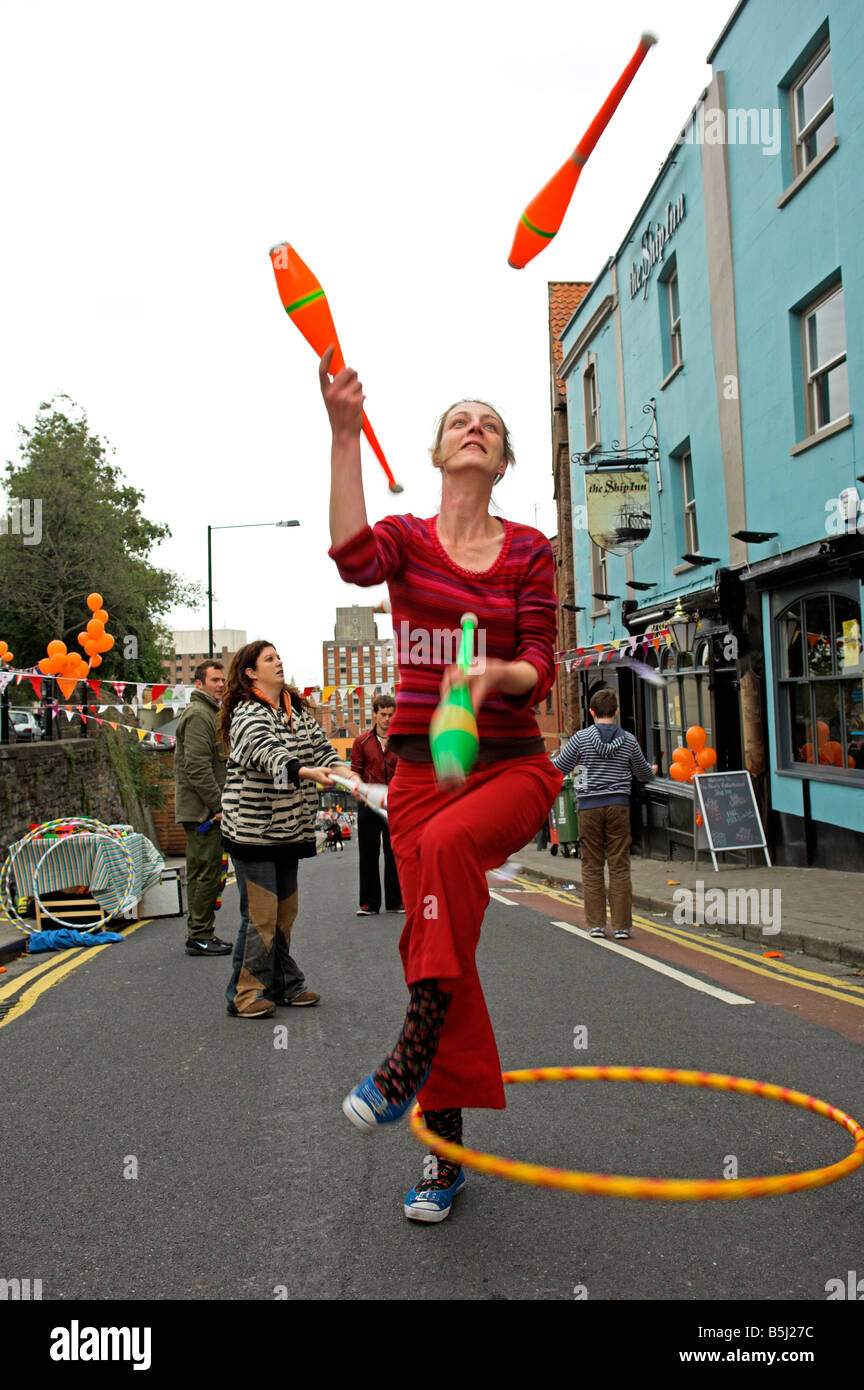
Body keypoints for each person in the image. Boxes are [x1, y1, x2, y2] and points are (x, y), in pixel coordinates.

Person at [322, 349, 562, 1223]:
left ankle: (408, 1053)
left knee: (455, 866)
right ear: (436, 452)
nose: (476, 428)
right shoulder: (408, 543)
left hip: (509, 768)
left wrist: (488, 678)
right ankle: (443, 1156)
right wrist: (344, 434)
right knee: (434, 943)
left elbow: (540, 660)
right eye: (462, 419)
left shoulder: (531, 550)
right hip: (422, 775)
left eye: (491, 426)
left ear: (502, 463)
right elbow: (350, 553)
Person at [218, 640, 358, 1018]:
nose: (278, 662)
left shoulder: (294, 712)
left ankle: (282, 985)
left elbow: (323, 750)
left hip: (289, 831)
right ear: (250, 673)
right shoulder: (248, 714)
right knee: (260, 917)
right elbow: (269, 754)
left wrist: (346, 773)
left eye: (279, 657)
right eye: (269, 659)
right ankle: (244, 994)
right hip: (254, 833)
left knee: (284, 914)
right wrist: (305, 772)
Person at [552, 688, 656, 940]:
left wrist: (578, 768)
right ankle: (621, 927)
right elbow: (643, 773)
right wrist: (652, 769)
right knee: (619, 864)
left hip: (589, 807)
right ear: (617, 711)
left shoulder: (581, 738)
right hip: (619, 805)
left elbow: (559, 767)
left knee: (592, 865)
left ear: (591, 712)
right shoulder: (629, 740)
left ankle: (596, 925)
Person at [174, 659, 232, 957]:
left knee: (206, 870)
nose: (220, 685)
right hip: (202, 812)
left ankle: (200, 932)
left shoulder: (211, 712)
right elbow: (196, 767)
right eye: (214, 680)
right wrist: (218, 805)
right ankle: (199, 935)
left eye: (222, 680)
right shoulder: (199, 714)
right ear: (198, 684)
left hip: (205, 809)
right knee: (205, 871)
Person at [351, 694, 403, 914]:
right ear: (374, 714)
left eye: (391, 715)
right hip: (368, 805)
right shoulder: (360, 741)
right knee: (368, 854)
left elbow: (406, 773)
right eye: (383, 714)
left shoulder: (401, 741)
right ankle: (369, 904)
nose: (387, 719)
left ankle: (396, 902)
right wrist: (357, 787)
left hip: (395, 805)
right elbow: (355, 771)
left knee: (395, 854)